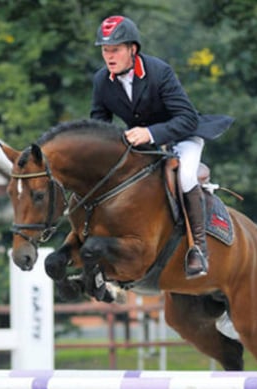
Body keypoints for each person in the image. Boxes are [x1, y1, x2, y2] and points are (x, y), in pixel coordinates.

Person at [90, 15, 233, 278]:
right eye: (105, 50)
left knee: (187, 177)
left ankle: (197, 249)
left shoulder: (159, 72)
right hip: (142, 146)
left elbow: (187, 118)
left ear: (133, 49)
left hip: (182, 137)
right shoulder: (102, 80)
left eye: (115, 50)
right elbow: (99, 124)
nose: (109, 56)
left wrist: (151, 132)